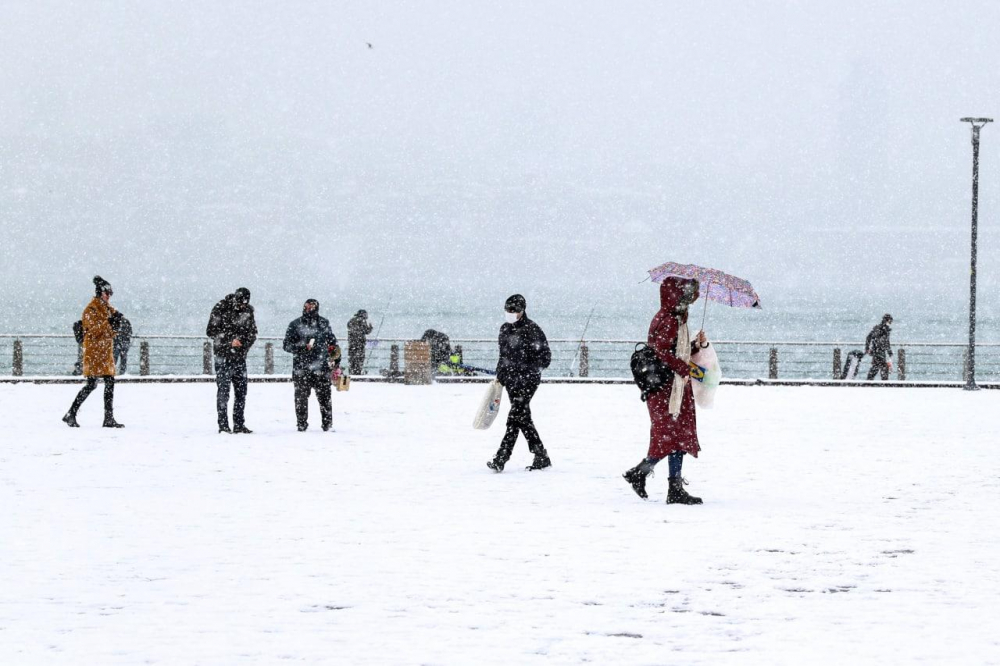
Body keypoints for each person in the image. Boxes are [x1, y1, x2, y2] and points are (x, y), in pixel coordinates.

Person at [622, 277, 706, 504]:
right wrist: (683, 367)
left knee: (674, 436)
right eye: (685, 299)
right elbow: (662, 352)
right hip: (666, 389)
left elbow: (672, 349)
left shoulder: (671, 318)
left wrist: (695, 346)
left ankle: (671, 486)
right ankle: (642, 474)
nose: (688, 303)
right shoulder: (669, 320)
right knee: (669, 436)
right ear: (675, 298)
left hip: (668, 386)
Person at [487, 294, 553, 472]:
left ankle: (502, 457)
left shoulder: (533, 330)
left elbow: (545, 358)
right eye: (507, 310)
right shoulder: (504, 329)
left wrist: (524, 368)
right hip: (510, 381)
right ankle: (541, 455)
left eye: (513, 311)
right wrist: (501, 374)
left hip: (528, 381)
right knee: (522, 418)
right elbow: (503, 356)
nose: (509, 313)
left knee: (514, 417)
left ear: (522, 311)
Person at [62, 276, 124, 428]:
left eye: (111, 293)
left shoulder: (109, 308)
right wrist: (109, 323)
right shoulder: (90, 309)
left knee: (109, 382)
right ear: (100, 292)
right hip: (94, 352)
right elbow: (92, 331)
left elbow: (110, 332)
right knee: (91, 384)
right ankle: (72, 413)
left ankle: (108, 418)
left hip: (105, 351)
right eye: (107, 292)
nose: (109, 296)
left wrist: (117, 324)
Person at [206, 287, 257, 433]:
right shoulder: (221, 307)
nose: (243, 306)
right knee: (224, 391)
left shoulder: (248, 311)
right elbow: (210, 331)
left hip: (239, 357)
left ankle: (239, 424)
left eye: (245, 303)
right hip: (223, 356)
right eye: (241, 303)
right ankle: (223, 425)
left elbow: (253, 333)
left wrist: (243, 345)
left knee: (242, 392)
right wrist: (229, 341)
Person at [283, 299, 338, 432]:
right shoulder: (295, 324)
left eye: (311, 307)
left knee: (325, 398)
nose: (308, 309)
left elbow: (332, 343)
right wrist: (302, 347)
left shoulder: (324, 323)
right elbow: (286, 345)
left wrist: (336, 361)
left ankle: (327, 425)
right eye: (306, 306)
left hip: (322, 367)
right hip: (301, 368)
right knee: (301, 398)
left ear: (317, 308)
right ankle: (301, 424)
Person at [865, 314, 894, 381]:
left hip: (877, 351)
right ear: (888, 321)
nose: (890, 323)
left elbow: (869, 337)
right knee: (882, 368)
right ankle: (883, 384)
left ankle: (868, 382)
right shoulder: (883, 329)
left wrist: (867, 348)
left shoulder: (879, 328)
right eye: (890, 322)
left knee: (876, 368)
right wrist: (889, 351)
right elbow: (885, 342)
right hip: (879, 352)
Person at [347, 309, 374, 375]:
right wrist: (370, 327)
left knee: (352, 358)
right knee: (359, 359)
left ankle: (351, 372)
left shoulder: (351, 320)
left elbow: (348, 327)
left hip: (352, 344)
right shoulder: (362, 321)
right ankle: (357, 372)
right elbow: (366, 331)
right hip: (360, 344)